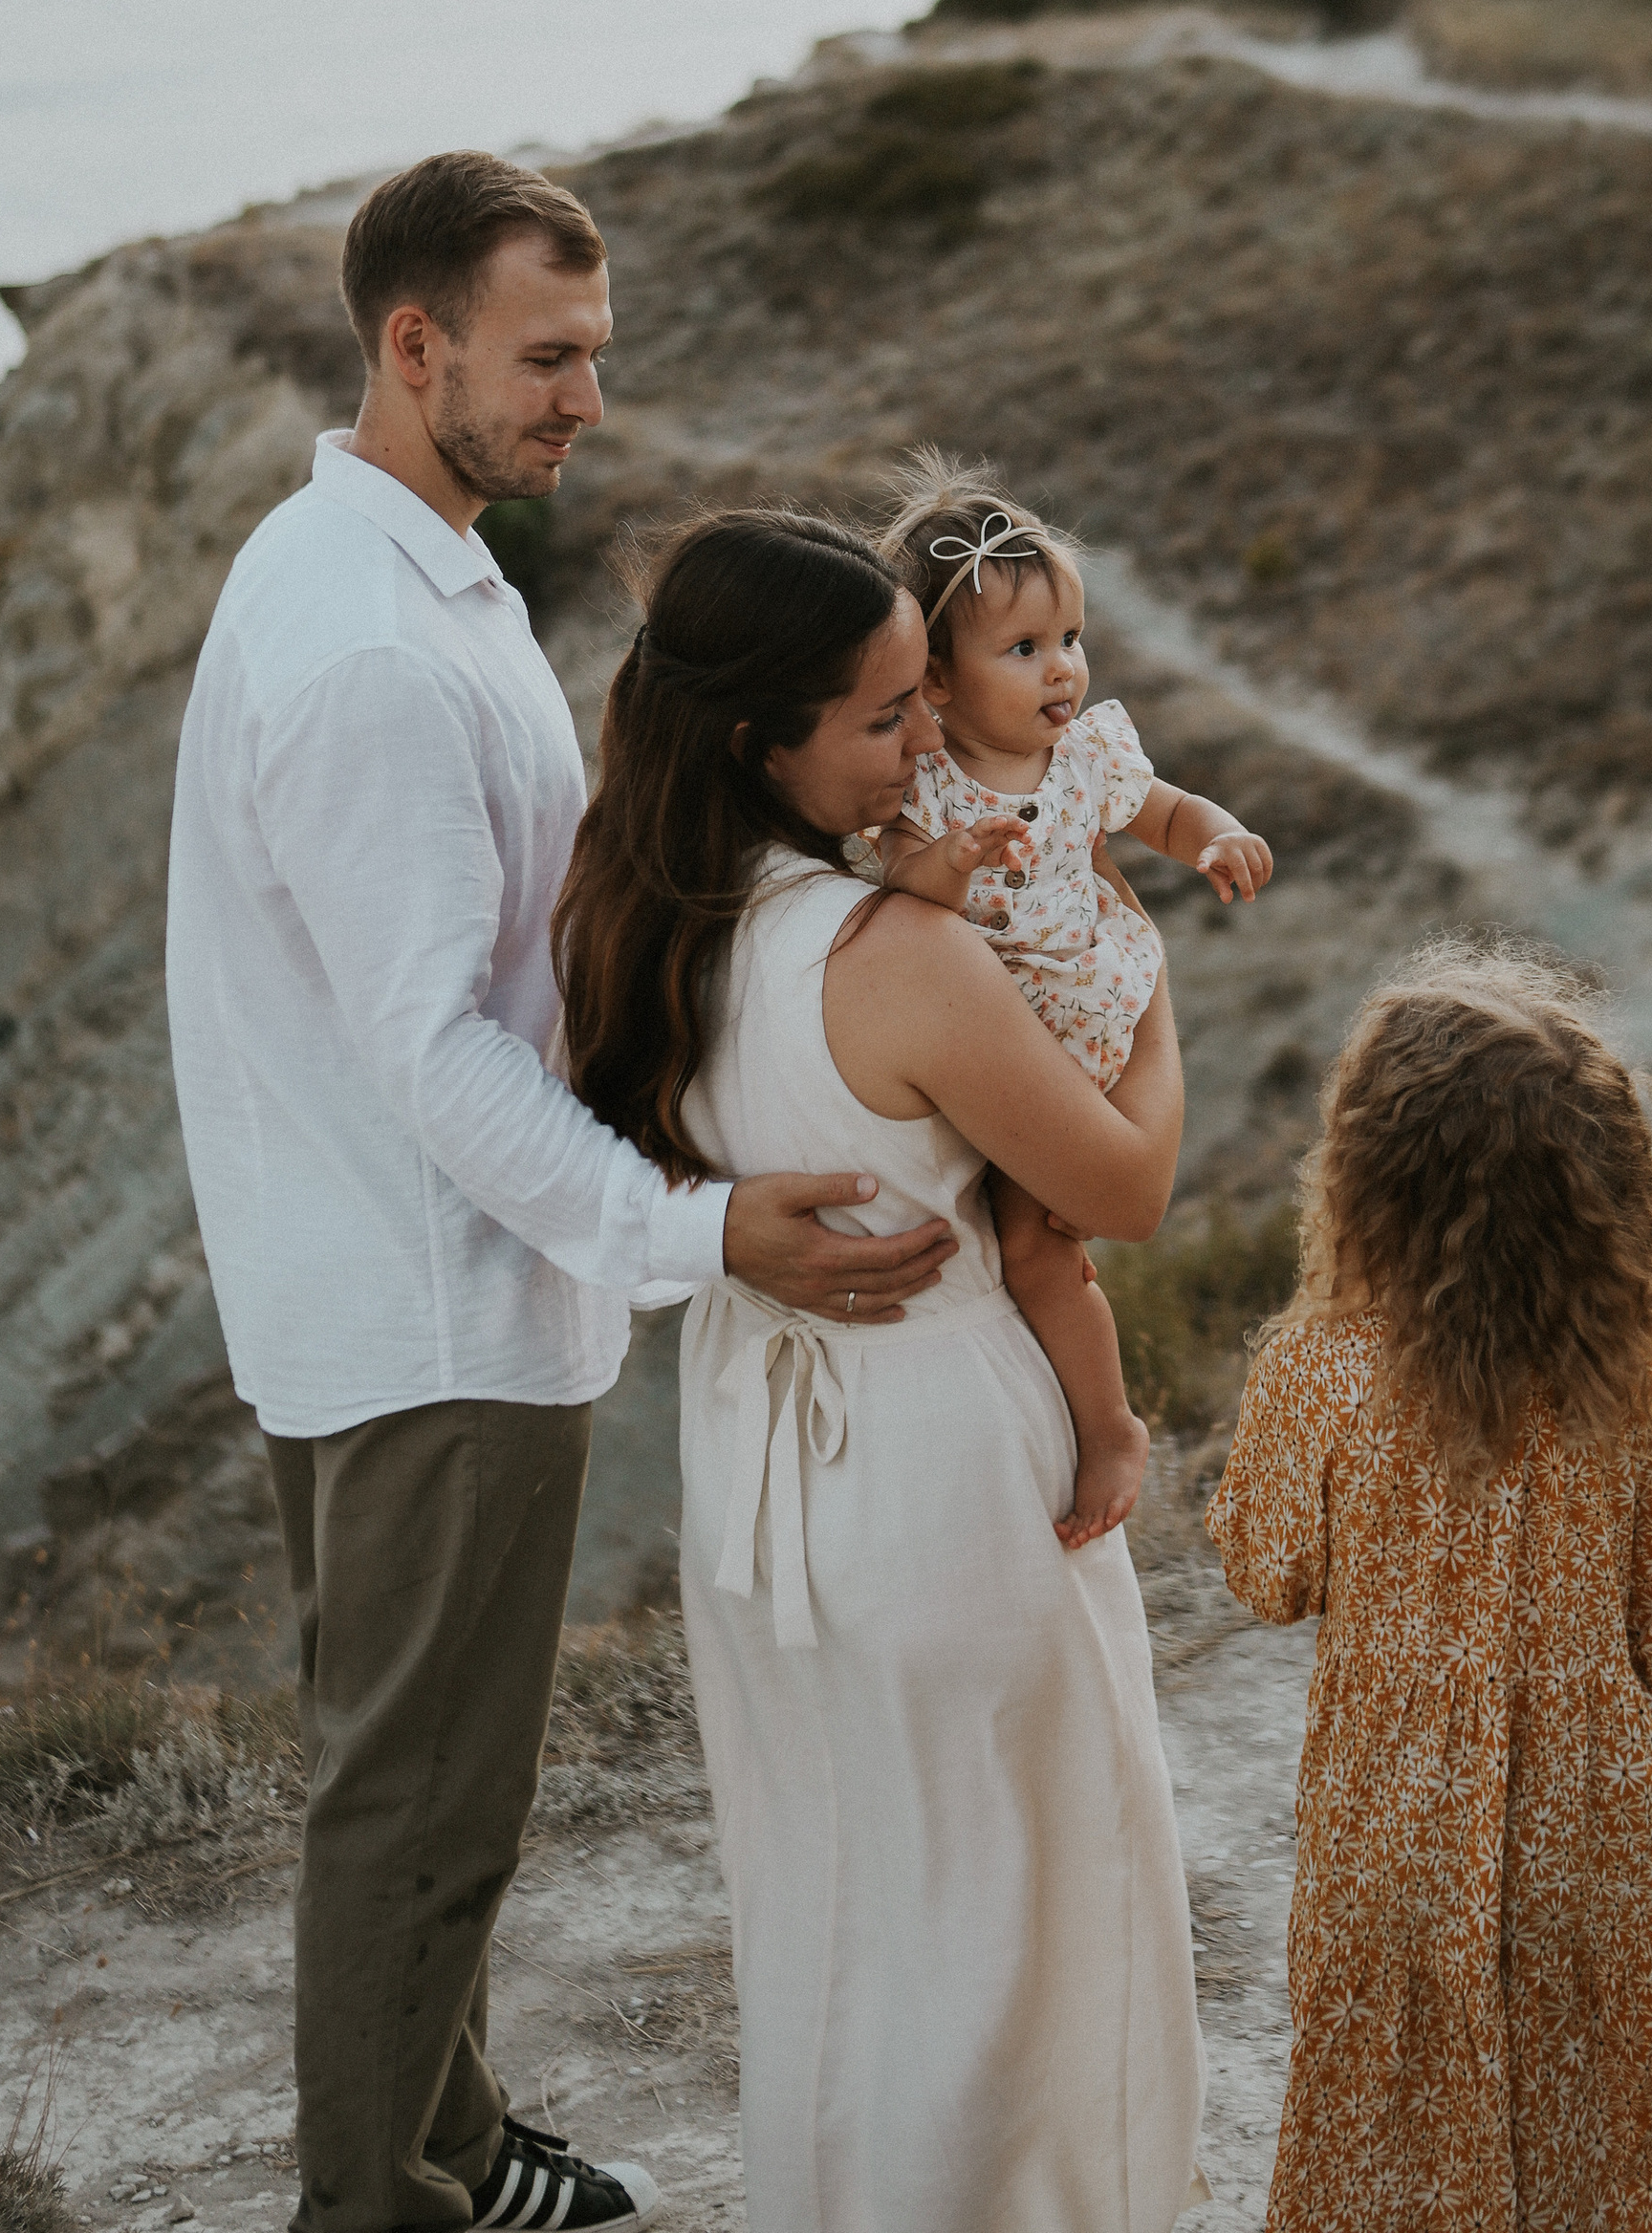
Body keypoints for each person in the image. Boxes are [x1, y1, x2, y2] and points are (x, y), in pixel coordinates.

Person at [164, 155, 958, 2233]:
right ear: (409, 344)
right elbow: (437, 1045)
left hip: (385, 1273)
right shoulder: (369, 656)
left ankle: (443, 2136)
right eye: (546, 357)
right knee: (420, 1813)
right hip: (429, 1301)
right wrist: (697, 1232)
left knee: (410, 1775)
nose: (585, 399)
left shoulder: (379, 561)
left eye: (594, 354)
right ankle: (379, 2204)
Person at [554, 509, 1210, 2233]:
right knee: (1022, 1940)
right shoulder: (898, 959)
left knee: (836, 1918)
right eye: (885, 716)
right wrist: (1133, 971)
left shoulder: (645, 924)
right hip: (946, 1474)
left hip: (759, 1486)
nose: (932, 741)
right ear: (760, 739)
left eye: (932, 694)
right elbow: (1122, 1189)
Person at [1206, 939, 1652, 2233]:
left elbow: (1266, 1573)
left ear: (1369, 1175)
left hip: (1392, 1838)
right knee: (1609, 2152)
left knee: (1405, 2149)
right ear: (1609, 1188)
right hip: (1602, 1832)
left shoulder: (1320, 1372)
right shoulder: (1633, 1384)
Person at [868, 458, 1273, 1544]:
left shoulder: (1086, 754)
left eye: (1069, 640)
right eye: (1022, 650)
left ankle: (1108, 1429)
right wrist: (954, 861)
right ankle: (1081, 1411)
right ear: (938, 683)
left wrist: (1215, 839)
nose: (1061, 672)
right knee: (1034, 1248)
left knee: (1038, 1243)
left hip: (1093, 1010)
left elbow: (1165, 811)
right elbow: (906, 887)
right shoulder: (928, 788)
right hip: (1009, 1048)